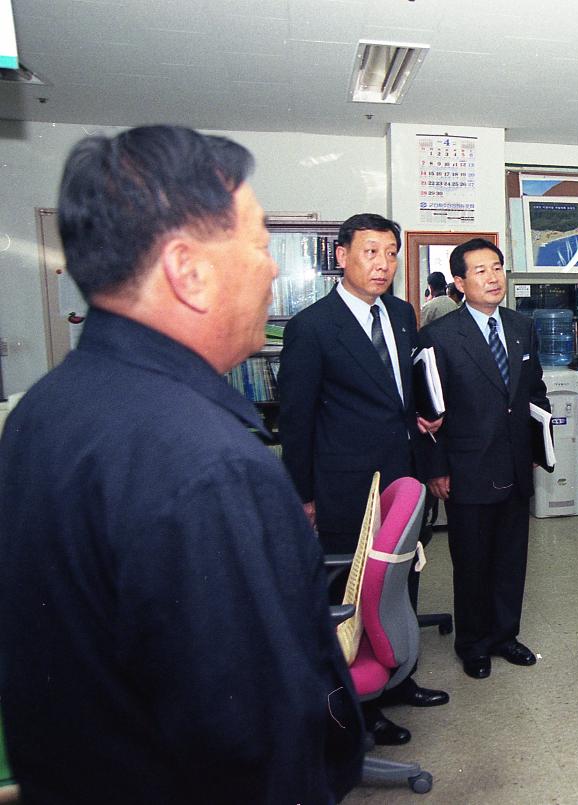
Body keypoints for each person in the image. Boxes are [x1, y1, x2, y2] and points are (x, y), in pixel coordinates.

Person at [0, 125, 364, 801]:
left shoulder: (42, 411)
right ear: (187, 270)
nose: (273, 268)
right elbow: (252, 741)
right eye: (259, 246)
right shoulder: (207, 465)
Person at [277, 212, 448, 746]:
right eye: (371, 252)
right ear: (342, 256)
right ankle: (358, 705)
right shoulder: (312, 327)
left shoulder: (399, 313)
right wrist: (302, 494)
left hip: (404, 476)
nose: (383, 264)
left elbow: (402, 388)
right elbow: (297, 418)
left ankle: (398, 679)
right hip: (346, 484)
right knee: (355, 592)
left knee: (400, 583)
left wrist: (421, 413)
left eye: (391, 253)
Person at [417, 238, 551, 680]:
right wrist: (436, 468)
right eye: (480, 271)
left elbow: (534, 391)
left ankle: (504, 635)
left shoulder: (521, 326)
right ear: (459, 281)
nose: (494, 278)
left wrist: (536, 447)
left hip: (515, 462)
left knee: (512, 558)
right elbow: (427, 410)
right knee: (472, 560)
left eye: (498, 268)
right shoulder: (439, 335)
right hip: (466, 466)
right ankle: (473, 643)